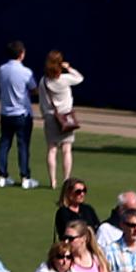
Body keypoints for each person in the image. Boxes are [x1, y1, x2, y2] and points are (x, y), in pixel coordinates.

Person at [40, 50, 84, 188]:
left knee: (52, 149)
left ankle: (53, 180)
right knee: (66, 149)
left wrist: (45, 115)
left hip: (50, 116)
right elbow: (79, 78)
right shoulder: (65, 79)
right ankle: (66, 179)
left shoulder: (44, 81)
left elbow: (42, 101)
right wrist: (68, 67)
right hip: (66, 117)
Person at [0, 39, 37, 187]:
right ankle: (25, 177)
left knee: (4, 144)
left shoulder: (2, 69)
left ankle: (2, 175)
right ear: (21, 54)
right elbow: (33, 89)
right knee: (23, 146)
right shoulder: (26, 72)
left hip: (6, 113)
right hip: (21, 114)